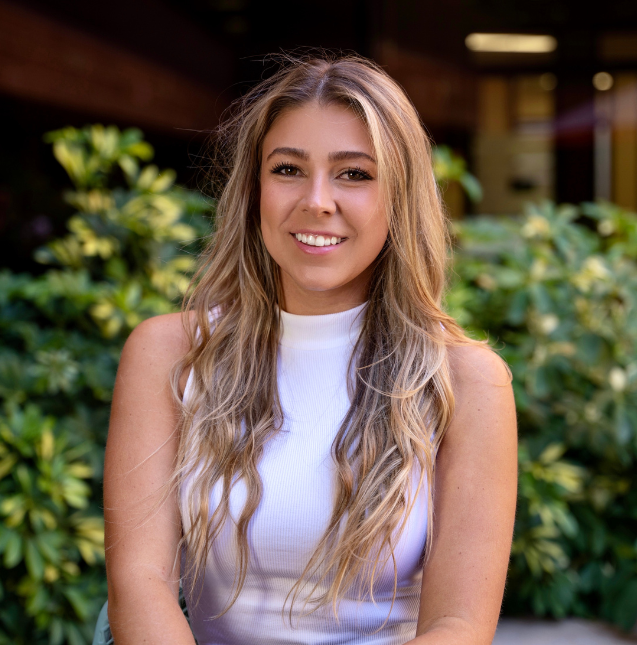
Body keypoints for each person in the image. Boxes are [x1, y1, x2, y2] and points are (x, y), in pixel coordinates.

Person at [103, 53, 517, 645]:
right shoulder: (169, 354)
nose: (317, 200)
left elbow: (459, 626)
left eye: (354, 174)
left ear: (400, 197)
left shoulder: (465, 380)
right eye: (288, 169)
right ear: (255, 189)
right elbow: (140, 584)